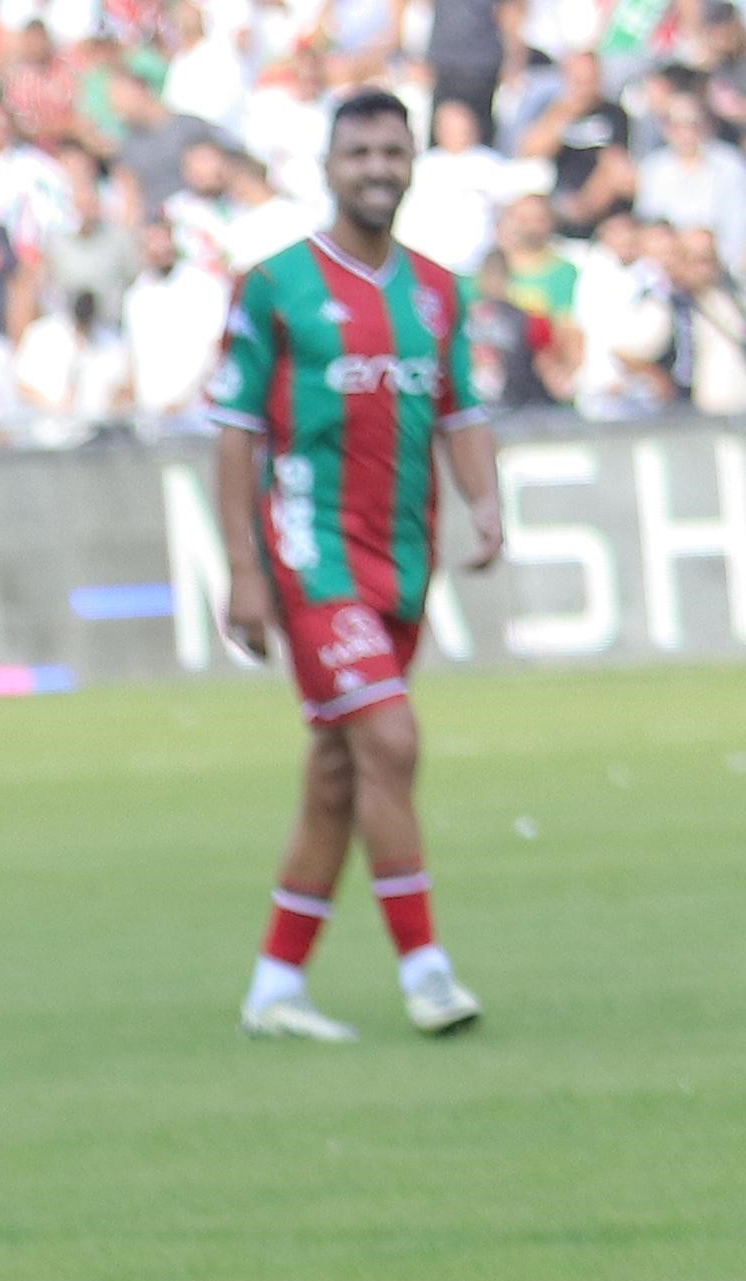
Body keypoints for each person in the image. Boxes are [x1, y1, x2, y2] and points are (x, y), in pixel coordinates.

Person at [211, 88, 506, 1042]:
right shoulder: (277, 286)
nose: (377, 168)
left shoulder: (437, 290)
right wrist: (246, 573)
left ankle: (274, 986)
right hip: (313, 556)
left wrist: (486, 503)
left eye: (392, 151)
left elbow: (458, 411)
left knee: (343, 773)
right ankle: (426, 971)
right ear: (329, 168)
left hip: (402, 564)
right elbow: (234, 436)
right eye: (360, 153)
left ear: (413, 162)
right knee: (393, 740)